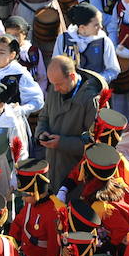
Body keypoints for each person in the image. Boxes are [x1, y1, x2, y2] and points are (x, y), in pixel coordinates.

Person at [35, 55, 104, 184]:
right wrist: (41, 133)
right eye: (52, 84)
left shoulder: (92, 100)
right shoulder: (55, 88)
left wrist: (62, 143)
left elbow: (95, 144)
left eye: (59, 84)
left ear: (72, 76)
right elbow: (44, 117)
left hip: (76, 177)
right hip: (52, 169)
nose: (55, 89)